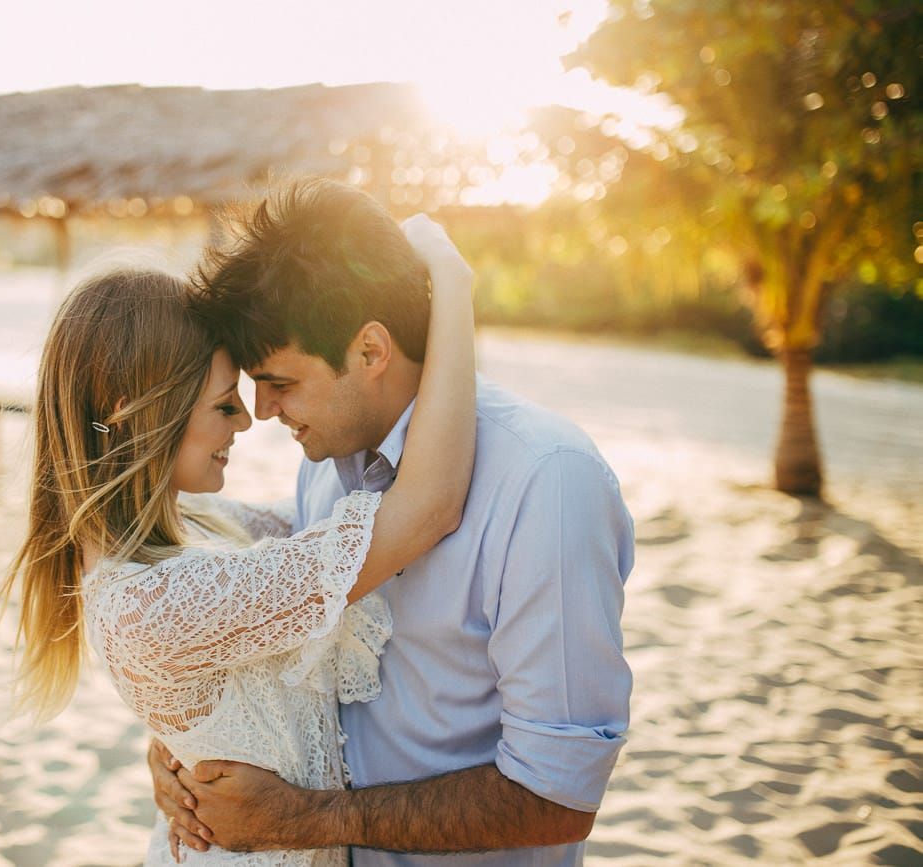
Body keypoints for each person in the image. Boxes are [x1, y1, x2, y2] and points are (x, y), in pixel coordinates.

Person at [151, 179, 636, 866]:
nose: (261, 411)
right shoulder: (324, 461)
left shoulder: (545, 482)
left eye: (280, 383)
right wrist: (179, 753)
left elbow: (557, 792)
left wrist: (310, 819)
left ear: (371, 352)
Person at [0, 210, 478, 865]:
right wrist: (451, 284)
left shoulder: (192, 527)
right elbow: (423, 510)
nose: (249, 420)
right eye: (225, 403)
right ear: (138, 417)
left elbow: (319, 522)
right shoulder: (154, 598)